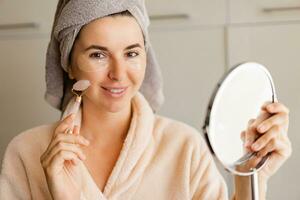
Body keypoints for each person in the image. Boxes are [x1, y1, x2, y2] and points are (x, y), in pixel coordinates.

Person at [0, 0, 292, 199]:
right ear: (68, 62)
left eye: (131, 53)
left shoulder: (184, 148)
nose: (119, 73)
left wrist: (251, 178)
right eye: (98, 54)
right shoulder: (27, 153)